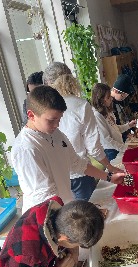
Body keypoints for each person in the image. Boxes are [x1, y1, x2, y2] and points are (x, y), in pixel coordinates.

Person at [12, 85, 125, 213]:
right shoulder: (26, 149)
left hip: (64, 207)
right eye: (51, 120)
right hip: (46, 217)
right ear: (31, 115)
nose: (57, 125)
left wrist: (109, 177)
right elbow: (44, 198)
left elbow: (77, 163)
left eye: (59, 119)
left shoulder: (55, 133)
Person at [0, 197, 105, 267]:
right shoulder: (27, 256)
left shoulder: (56, 210)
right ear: (64, 238)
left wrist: (72, 249)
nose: (78, 248)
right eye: (78, 245)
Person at [43, 62, 122, 201]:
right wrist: (109, 167)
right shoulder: (80, 105)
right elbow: (93, 147)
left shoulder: (43, 108)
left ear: (48, 83)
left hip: (55, 176)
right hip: (80, 174)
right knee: (86, 216)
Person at [92, 83, 137, 161]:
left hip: (117, 146)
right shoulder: (97, 115)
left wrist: (128, 125)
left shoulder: (107, 110)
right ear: (101, 99)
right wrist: (124, 148)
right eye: (108, 97)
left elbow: (115, 129)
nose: (111, 99)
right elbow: (106, 140)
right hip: (110, 150)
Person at [111, 74, 138, 141]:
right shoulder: (110, 105)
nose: (123, 99)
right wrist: (126, 134)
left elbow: (126, 116)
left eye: (125, 97)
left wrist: (133, 128)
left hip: (124, 133)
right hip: (117, 139)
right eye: (122, 96)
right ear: (115, 91)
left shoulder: (119, 99)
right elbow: (116, 125)